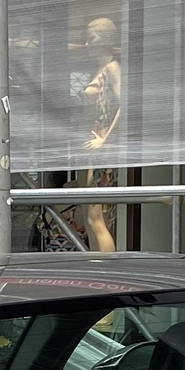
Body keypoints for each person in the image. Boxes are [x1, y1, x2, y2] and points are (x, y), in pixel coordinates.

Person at [73, 17, 124, 253]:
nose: (87, 41)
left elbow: (126, 105)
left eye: (91, 36)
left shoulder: (112, 67)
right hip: (88, 148)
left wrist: (105, 139)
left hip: (100, 149)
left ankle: (107, 268)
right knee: (88, 215)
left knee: (96, 217)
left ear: (103, 38)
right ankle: (94, 261)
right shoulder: (100, 69)